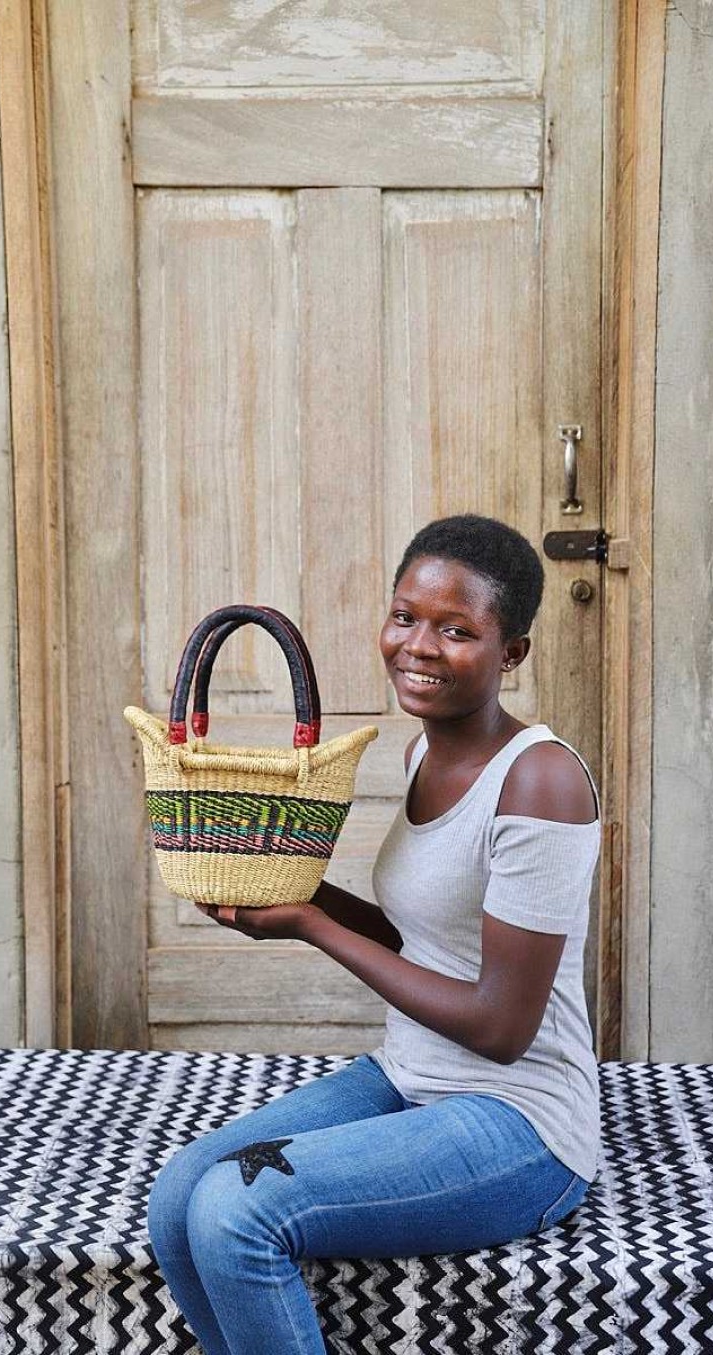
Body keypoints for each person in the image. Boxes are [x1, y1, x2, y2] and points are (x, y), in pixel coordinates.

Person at [146, 513, 602, 1355]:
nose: (418, 645)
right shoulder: (422, 756)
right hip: (411, 1075)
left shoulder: (539, 780)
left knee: (235, 1211)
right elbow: (419, 935)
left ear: (512, 655)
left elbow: (500, 1027)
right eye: (405, 616)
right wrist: (282, 890)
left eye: (456, 629)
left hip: (520, 1123)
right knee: (178, 1195)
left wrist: (313, 924)